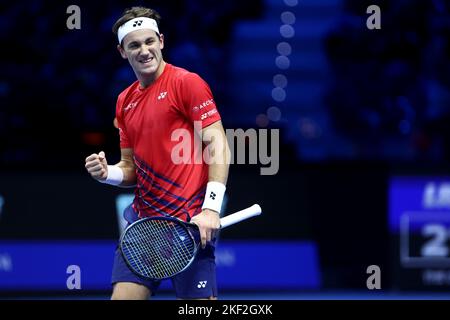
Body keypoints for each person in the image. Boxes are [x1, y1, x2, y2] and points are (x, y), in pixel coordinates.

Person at [84, 6, 230, 300]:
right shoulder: (124, 101)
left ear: (161, 41)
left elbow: (219, 146)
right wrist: (107, 173)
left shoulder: (187, 83)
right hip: (144, 228)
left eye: (149, 41)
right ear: (123, 52)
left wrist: (211, 209)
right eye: (134, 45)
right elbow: (130, 170)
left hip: (189, 226)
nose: (144, 50)